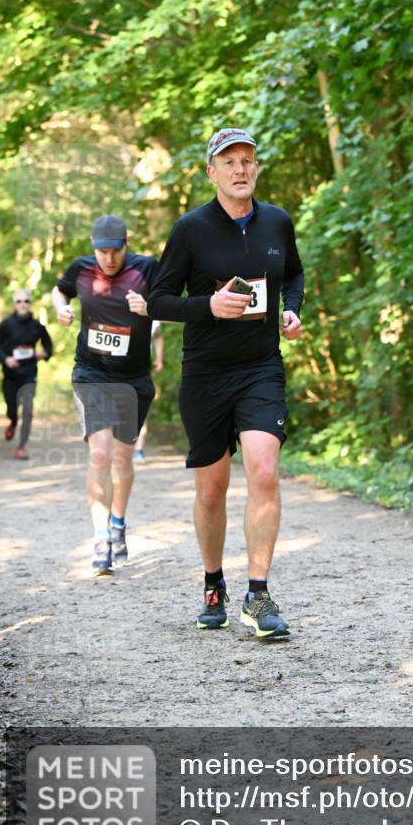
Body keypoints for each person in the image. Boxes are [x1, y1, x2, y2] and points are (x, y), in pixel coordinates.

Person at [148, 127, 304, 640]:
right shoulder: (190, 229)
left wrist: (292, 310)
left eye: (248, 160)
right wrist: (207, 306)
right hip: (206, 375)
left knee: (263, 470)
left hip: (261, 369)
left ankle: (258, 596)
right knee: (211, 491)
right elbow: (159, 299)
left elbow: (295, 274)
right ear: (212, 171)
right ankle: (213, 583)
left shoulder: (277, 222)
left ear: (256, 168)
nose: (240, 169)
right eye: (229, 161)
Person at [51, 215, 158, 576]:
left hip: (133, 379)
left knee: (123, 461)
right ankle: (100, 537)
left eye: (115, 251)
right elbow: (60, 289)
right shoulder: (81, 269)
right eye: (102, 251)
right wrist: (60, 308)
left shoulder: (146, 269)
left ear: (127, 243)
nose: (108, 259)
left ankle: (118, 522)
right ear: (93, 246)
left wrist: (150, 307)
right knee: (100, 455)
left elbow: (177, 304)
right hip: (91, 373)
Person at [0, 289, 53, 460]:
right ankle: (12, 422)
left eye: (26, 301)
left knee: (28, 411)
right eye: (19, 301)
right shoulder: (6, 324)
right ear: (14, 304)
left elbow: (49, 347)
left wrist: (44, 353)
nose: (23, 304)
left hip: (29, 375)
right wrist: (6, 359)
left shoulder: (37, 326)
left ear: (30, 304)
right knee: (12, 410)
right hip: (10, 375)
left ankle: (21, 446)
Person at [133, 320, 164, 463]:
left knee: (140, 410)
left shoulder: (149, 309)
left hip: (142, 369)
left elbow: (158, 336)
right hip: (112, 370)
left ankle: (138, 450)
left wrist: (159, 359)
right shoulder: (112, 305)